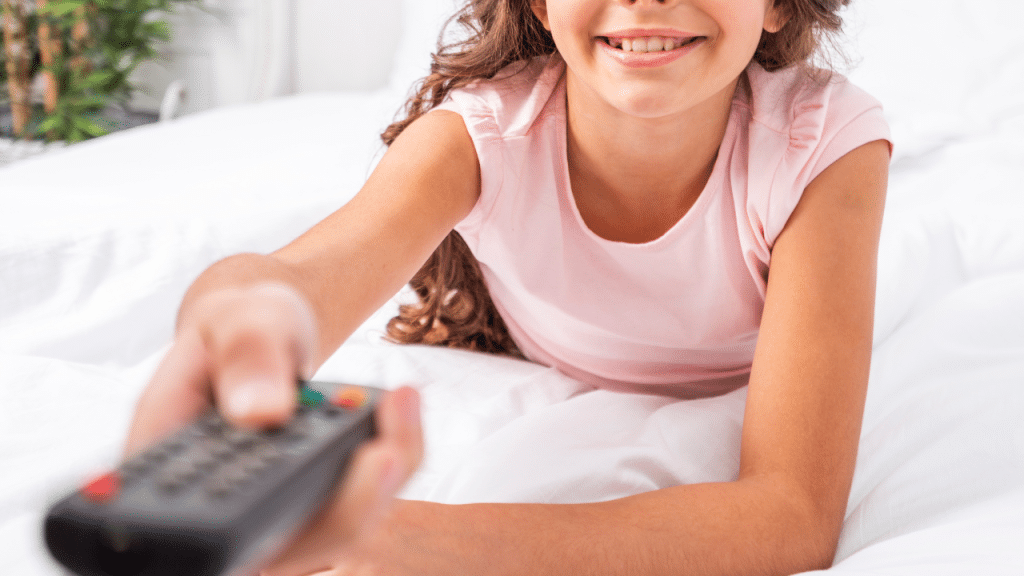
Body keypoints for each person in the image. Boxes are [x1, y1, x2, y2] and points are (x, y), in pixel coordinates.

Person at [126, 0, 892, 573]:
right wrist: (241, 318)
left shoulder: (823, 145)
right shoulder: (482, 135)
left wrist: (406, 539)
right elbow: (306, 273)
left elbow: (792, 513)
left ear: (778, 5)